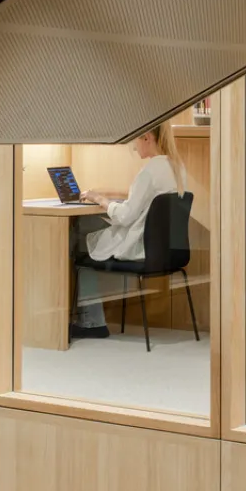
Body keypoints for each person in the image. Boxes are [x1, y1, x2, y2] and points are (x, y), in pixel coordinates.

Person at [70, 123, 186, 339]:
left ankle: (91, 322)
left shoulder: (150, 172)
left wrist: (100, 199)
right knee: (90, 235)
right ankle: (90, 319)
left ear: (147, 137)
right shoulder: (177, 168)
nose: (134, 147)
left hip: (140, 249)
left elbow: (125, 216)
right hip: (166, 253)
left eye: (135, 140)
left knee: (77, 235)